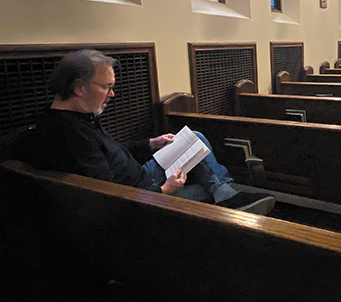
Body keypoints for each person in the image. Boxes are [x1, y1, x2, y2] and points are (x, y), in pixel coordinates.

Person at [33, 49, 275, 215]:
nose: (112, 94)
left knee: (195, 139)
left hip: (141, 175)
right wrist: (163, 190)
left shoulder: (79, 119)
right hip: (142, 198)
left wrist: (151, 143)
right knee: (204, 186)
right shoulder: (70, 132)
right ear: (79, 88)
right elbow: (105, 193)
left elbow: (111, 153)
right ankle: (224, 195)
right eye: (107, 86)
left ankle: (223, 192)